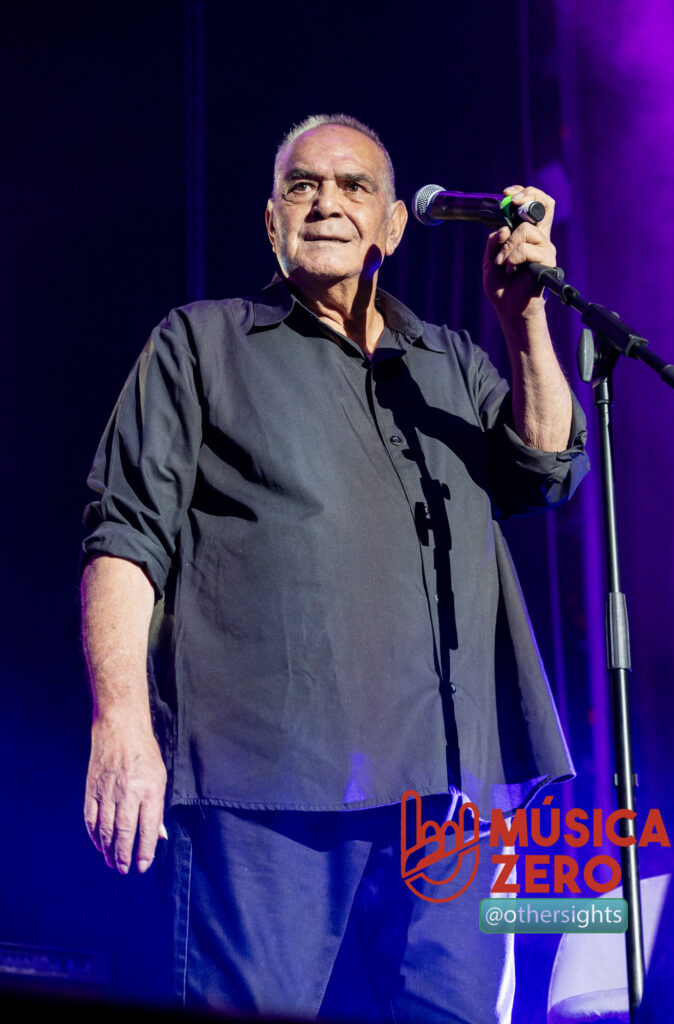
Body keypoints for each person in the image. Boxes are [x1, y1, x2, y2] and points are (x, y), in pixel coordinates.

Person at [80, 113, 588, 1023]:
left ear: (393, 227)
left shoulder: (450, 361)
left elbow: (547, 470)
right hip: (265, 781)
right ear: (270, 220)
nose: (326, 202)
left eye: (354, 187)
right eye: (302, 186)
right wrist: (121, 721)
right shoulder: (202, 344)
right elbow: (125, 536)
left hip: (450, 791)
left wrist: (525, 322)